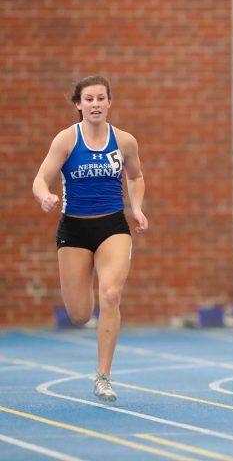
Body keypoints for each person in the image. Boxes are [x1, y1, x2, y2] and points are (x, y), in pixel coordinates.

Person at [32, 75, 148, 402]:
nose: (95, 104)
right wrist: (44, 196)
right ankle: (88, 289)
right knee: (80, 314)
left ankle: (103, 376)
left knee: (111, 295)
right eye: (89, 99)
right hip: (74, 229)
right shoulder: (67, 140)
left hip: (112, 226)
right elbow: (41, 178)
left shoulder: (124, 141)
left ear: (109, 102)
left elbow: (136, 176)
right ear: (78, 105)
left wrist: (136, 208)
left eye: (101, 98)